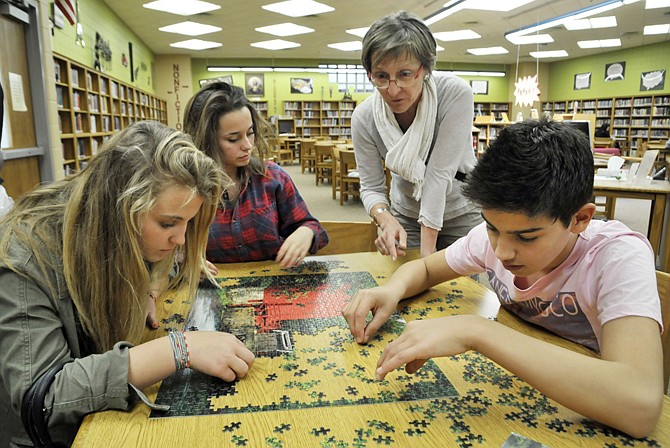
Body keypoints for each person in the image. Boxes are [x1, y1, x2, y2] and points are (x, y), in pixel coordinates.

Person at [342, 118, 664, 438]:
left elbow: (640, 406)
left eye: (526, 237)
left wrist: (475, 331)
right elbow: (426, 269)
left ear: (579, 219)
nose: (503, 251)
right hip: (522, 395)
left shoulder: (618, 256)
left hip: (591, 409)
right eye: (492, 227)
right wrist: (391, 289)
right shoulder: (494, 238)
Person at [0, 121, 256, 446]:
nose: (179, 240)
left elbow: (144, 256)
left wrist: (145, 284)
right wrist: (179, 348)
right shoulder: (24, 255)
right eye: (168, 223)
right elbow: (43, 397)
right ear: (121, 208)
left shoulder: (114, 225)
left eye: (187, 223)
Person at [352, 10, 482, 260]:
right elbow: (371, 187)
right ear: (370, 74)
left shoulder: (454, 94)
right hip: (407, 214)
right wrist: (385, 219)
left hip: (461, 211)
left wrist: (426, 259)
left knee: (457, 291)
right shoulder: (365, 117)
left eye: (405, 74)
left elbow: (438, 174)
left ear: (425, 70)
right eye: (381, 76)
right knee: (404, 284)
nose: (393, 89)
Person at [183, 81, 328, 269]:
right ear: (205, 140)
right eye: (233, 139)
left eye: (250, 133)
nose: (248, 145)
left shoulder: (272, 177)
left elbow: (313, 227)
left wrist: (306, 232)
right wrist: (186, 261)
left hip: (274, 285)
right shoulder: (185, 187)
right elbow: (167, 245)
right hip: (213, 289)